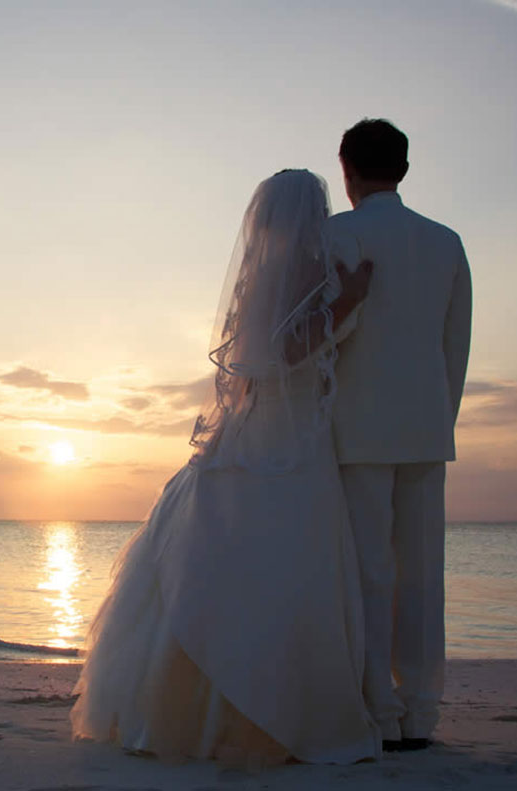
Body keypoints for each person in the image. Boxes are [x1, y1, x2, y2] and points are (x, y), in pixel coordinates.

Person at [70, 169, 381, 767]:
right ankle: (261, 708)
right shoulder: (303, 272)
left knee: (246, 557)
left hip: (269, 427)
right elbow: (283, 352)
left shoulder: (265, 273)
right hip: (287, 436)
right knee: (287, 562)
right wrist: (346, 302)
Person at [326, 119, 472, 752]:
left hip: (355, 428)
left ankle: (377, 710)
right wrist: (444, 415)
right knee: (421, 574)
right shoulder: (446, 242)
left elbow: (329, 334)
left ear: (347, 169)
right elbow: (455, 345)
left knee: (367, 572)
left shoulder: (336, 233)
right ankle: (419, 712)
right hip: (425, 424)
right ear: (404, 170)